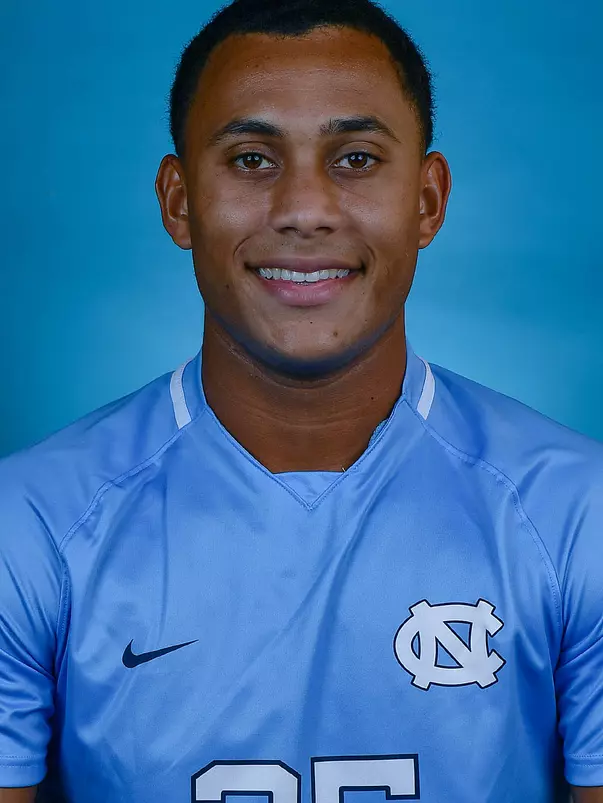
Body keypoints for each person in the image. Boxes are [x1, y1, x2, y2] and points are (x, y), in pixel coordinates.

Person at [1, 0, 602, 800]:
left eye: (354, 158)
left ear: (427, 201)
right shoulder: (32, 525)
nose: (304, 211)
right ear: (179, 202)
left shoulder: (575, 514)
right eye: (252, 160)